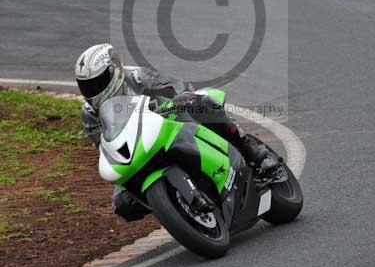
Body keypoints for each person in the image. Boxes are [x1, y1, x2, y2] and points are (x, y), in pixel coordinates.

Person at [75, 43, 279, 221]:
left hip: (172, 120)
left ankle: (252, 151)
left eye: (98, 82)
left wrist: (181, 97)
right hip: (140, 147)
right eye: (86, 86)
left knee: (200, 103)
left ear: (115, 71)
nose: (92, 90)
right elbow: (106, 146)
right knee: (122, 204)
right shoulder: (90, 113)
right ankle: (174, 204)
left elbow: (172, 84)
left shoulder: (136, 76)